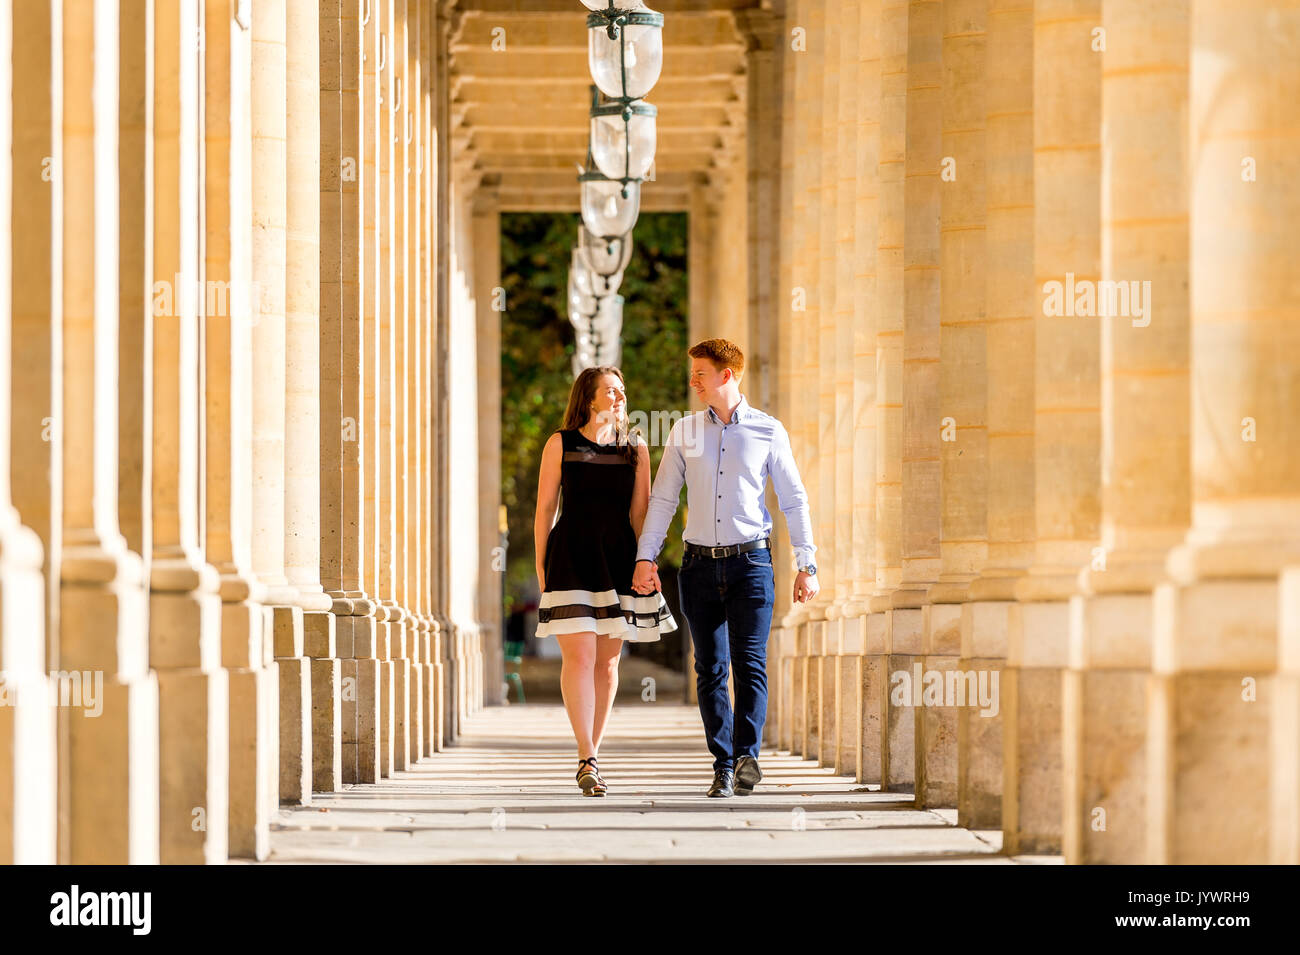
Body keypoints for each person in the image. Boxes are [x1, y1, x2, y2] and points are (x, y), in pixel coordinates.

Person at [633, 339, 819, 797]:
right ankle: (723, 762)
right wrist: (645, 555)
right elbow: (663, 499)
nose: (693, 381)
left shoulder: (768, 431)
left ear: (727, 375)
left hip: (751, 563)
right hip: (698, 565)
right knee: (710, 666)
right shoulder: (684, 432)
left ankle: (746, 757)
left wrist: (806, 562)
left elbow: (794, 499)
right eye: (692, 372)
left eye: (700, 373)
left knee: (750, 663)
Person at [534, 365, 678, 796]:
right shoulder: (561, 443)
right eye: (609, 391)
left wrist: (646, 562)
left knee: (608, 662)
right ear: (588, 397)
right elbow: (545, 510)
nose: (618, 397)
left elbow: (641, 514)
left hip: (617, 560)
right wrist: (542, 566)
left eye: (621, 390)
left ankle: (591, 753)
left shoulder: (635, 447)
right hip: (571, 557)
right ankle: (587, 756)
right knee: (578, 658)